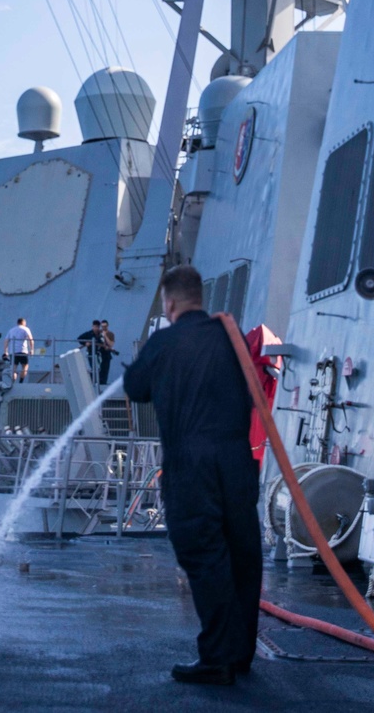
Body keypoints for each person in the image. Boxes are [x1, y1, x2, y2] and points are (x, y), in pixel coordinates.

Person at [124, 264, 261, 687]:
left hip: (190, 462)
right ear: (199, 297)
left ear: (170, 303)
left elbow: (134, 388)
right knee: (242, 554)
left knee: (204, 554)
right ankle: (239, 654)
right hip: (238, 460)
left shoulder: (165, 342)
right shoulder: (232, 338)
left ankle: (217, 658)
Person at [3, 317, 34, 381]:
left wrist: (5, 352)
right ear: (24, 322)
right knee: (25, 367)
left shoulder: (11, 330)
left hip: (13, 352)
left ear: (17, 323)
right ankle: (21, 381)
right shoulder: (26, 329)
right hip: (23, 351)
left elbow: (6, 341)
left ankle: (13, 381)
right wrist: (31, 350)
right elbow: (31, 340)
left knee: (13, 368)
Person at [76, 319, 103, 384]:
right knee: (93, 367)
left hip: (99, 353)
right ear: (92, 326)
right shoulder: (89, 334)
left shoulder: (100, 334)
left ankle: (98, 381)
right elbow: (79, 338)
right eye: (95, 326)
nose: (96, 328)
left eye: (97, 327)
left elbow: (102, 342)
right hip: (91, 353)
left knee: (99, 368)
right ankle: (92, 381)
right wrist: (85, 343)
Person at [98, 319, 116, 387]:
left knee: (105, 369)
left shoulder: (110, 334)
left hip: (106, 354)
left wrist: (105, 336)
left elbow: (111, 344)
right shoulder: (98, 333)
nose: (103, 328)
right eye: (102, 326)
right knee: (99, 369)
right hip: (99, 353)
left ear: (107, 326)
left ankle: (103, 382)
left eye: (105, 326)